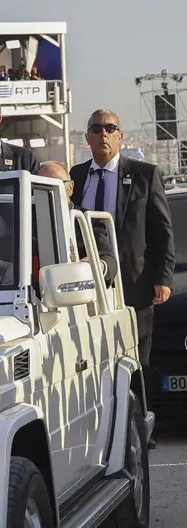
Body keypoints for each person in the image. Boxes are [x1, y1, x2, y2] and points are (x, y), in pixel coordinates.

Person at [70, 110, 175, 366]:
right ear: (88, 137)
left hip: (133, 284)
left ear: (120, 136)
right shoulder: (77, 175)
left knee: (136, 362)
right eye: (96, 129)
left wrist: (163, 278)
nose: (103, 134)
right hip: (88, 287)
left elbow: (162, 230)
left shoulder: (145, 175)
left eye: (110, 128)